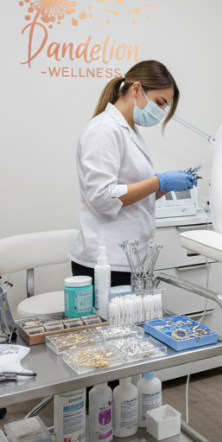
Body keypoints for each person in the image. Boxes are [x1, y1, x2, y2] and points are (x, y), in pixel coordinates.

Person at [68, 60, 196, 287]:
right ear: (136, 89)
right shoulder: (103, 130)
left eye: (164, 107)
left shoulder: (131, 132)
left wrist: (165, 187)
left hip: (129, 259)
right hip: (105, 262)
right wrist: (159, 181)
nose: (160, 112)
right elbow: (102, 197)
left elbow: (133, 195)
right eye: (159, 102)